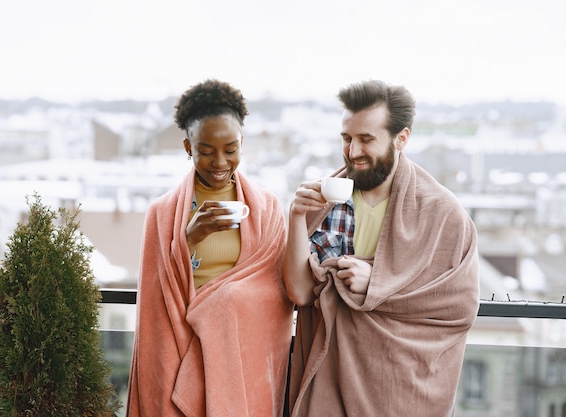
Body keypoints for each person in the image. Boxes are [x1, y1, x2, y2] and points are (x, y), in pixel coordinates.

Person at [283, 80, 479, 416]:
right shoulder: (325, 202)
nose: (353, 151)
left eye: (366, 139)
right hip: (329, 381)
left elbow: (458, 308)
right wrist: (297, 215)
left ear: (401, 138)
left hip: (398, 390)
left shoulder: (442, 213)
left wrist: (378, 284)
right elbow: (300, 293)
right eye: (347, 139)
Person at [126, 79, 294, 417]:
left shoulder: (268, 209)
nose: (220, 162)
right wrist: (186, 241)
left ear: (242, 144)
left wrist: (222, 306)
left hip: (239, 360)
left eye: (230, 149)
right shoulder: (161, 214)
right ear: (188, 147)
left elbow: (277, 295)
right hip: (180, 352)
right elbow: (153, 305)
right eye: (206, 151)